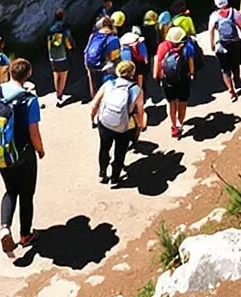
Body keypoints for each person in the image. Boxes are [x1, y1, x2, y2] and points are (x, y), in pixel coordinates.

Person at [0, 55, 45, 262]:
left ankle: (4, 228)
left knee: (10, 190)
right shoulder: (29, 99)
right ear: (28, 75)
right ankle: (25, 235)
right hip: (22, 152)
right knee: (26, 194)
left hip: (0, 151)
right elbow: (33, 132)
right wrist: (40, 150)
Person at [91, 57, 144, 185]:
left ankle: (102, 173)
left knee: (104, 148)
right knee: (120, 151)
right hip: (124, 126)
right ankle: (115, 177)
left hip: (105, 123)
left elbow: (94, 105)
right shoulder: (137, 90)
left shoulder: (109, 84)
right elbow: (140, 111)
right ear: (132, 73)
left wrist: (92, 119)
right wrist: (140, 125)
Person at [156, 24, 197, 139]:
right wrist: (192, 74)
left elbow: (159, 64)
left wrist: (159, 77)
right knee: (182, 103)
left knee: (171, 103)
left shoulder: (163, 47)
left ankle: (173, 126)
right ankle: (180, 124)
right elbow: (191, 64)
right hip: (183, 80)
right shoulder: (187, 47)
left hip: (168, 81)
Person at [208, 0, 241, 95]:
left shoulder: (214, 16)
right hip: (235, 43)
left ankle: (230, 89)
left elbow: (210, 31)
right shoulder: (234, 12)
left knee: (225, 69)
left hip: (223, 45)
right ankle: (237, 81)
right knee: (236, 64)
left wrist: (212, 44)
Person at [82, 11, 117, 98]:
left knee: (94, 86)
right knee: (106, 88)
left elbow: (86, 50)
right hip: (103, 66)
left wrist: (87, 65)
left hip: (90, 63)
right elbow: (114, 57)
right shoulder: (112, 38)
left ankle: (95, 102)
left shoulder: (93, 35)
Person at [45, 12, 74, 103]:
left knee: (56, 73)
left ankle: (57, 93)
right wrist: (70, 47)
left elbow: (48, 42)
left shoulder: (51, 29)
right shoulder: (64, 28)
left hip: (53, 56)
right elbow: (67, 42)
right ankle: (60, 96)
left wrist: (50, 54)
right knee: (63, 74)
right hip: (62, 55)